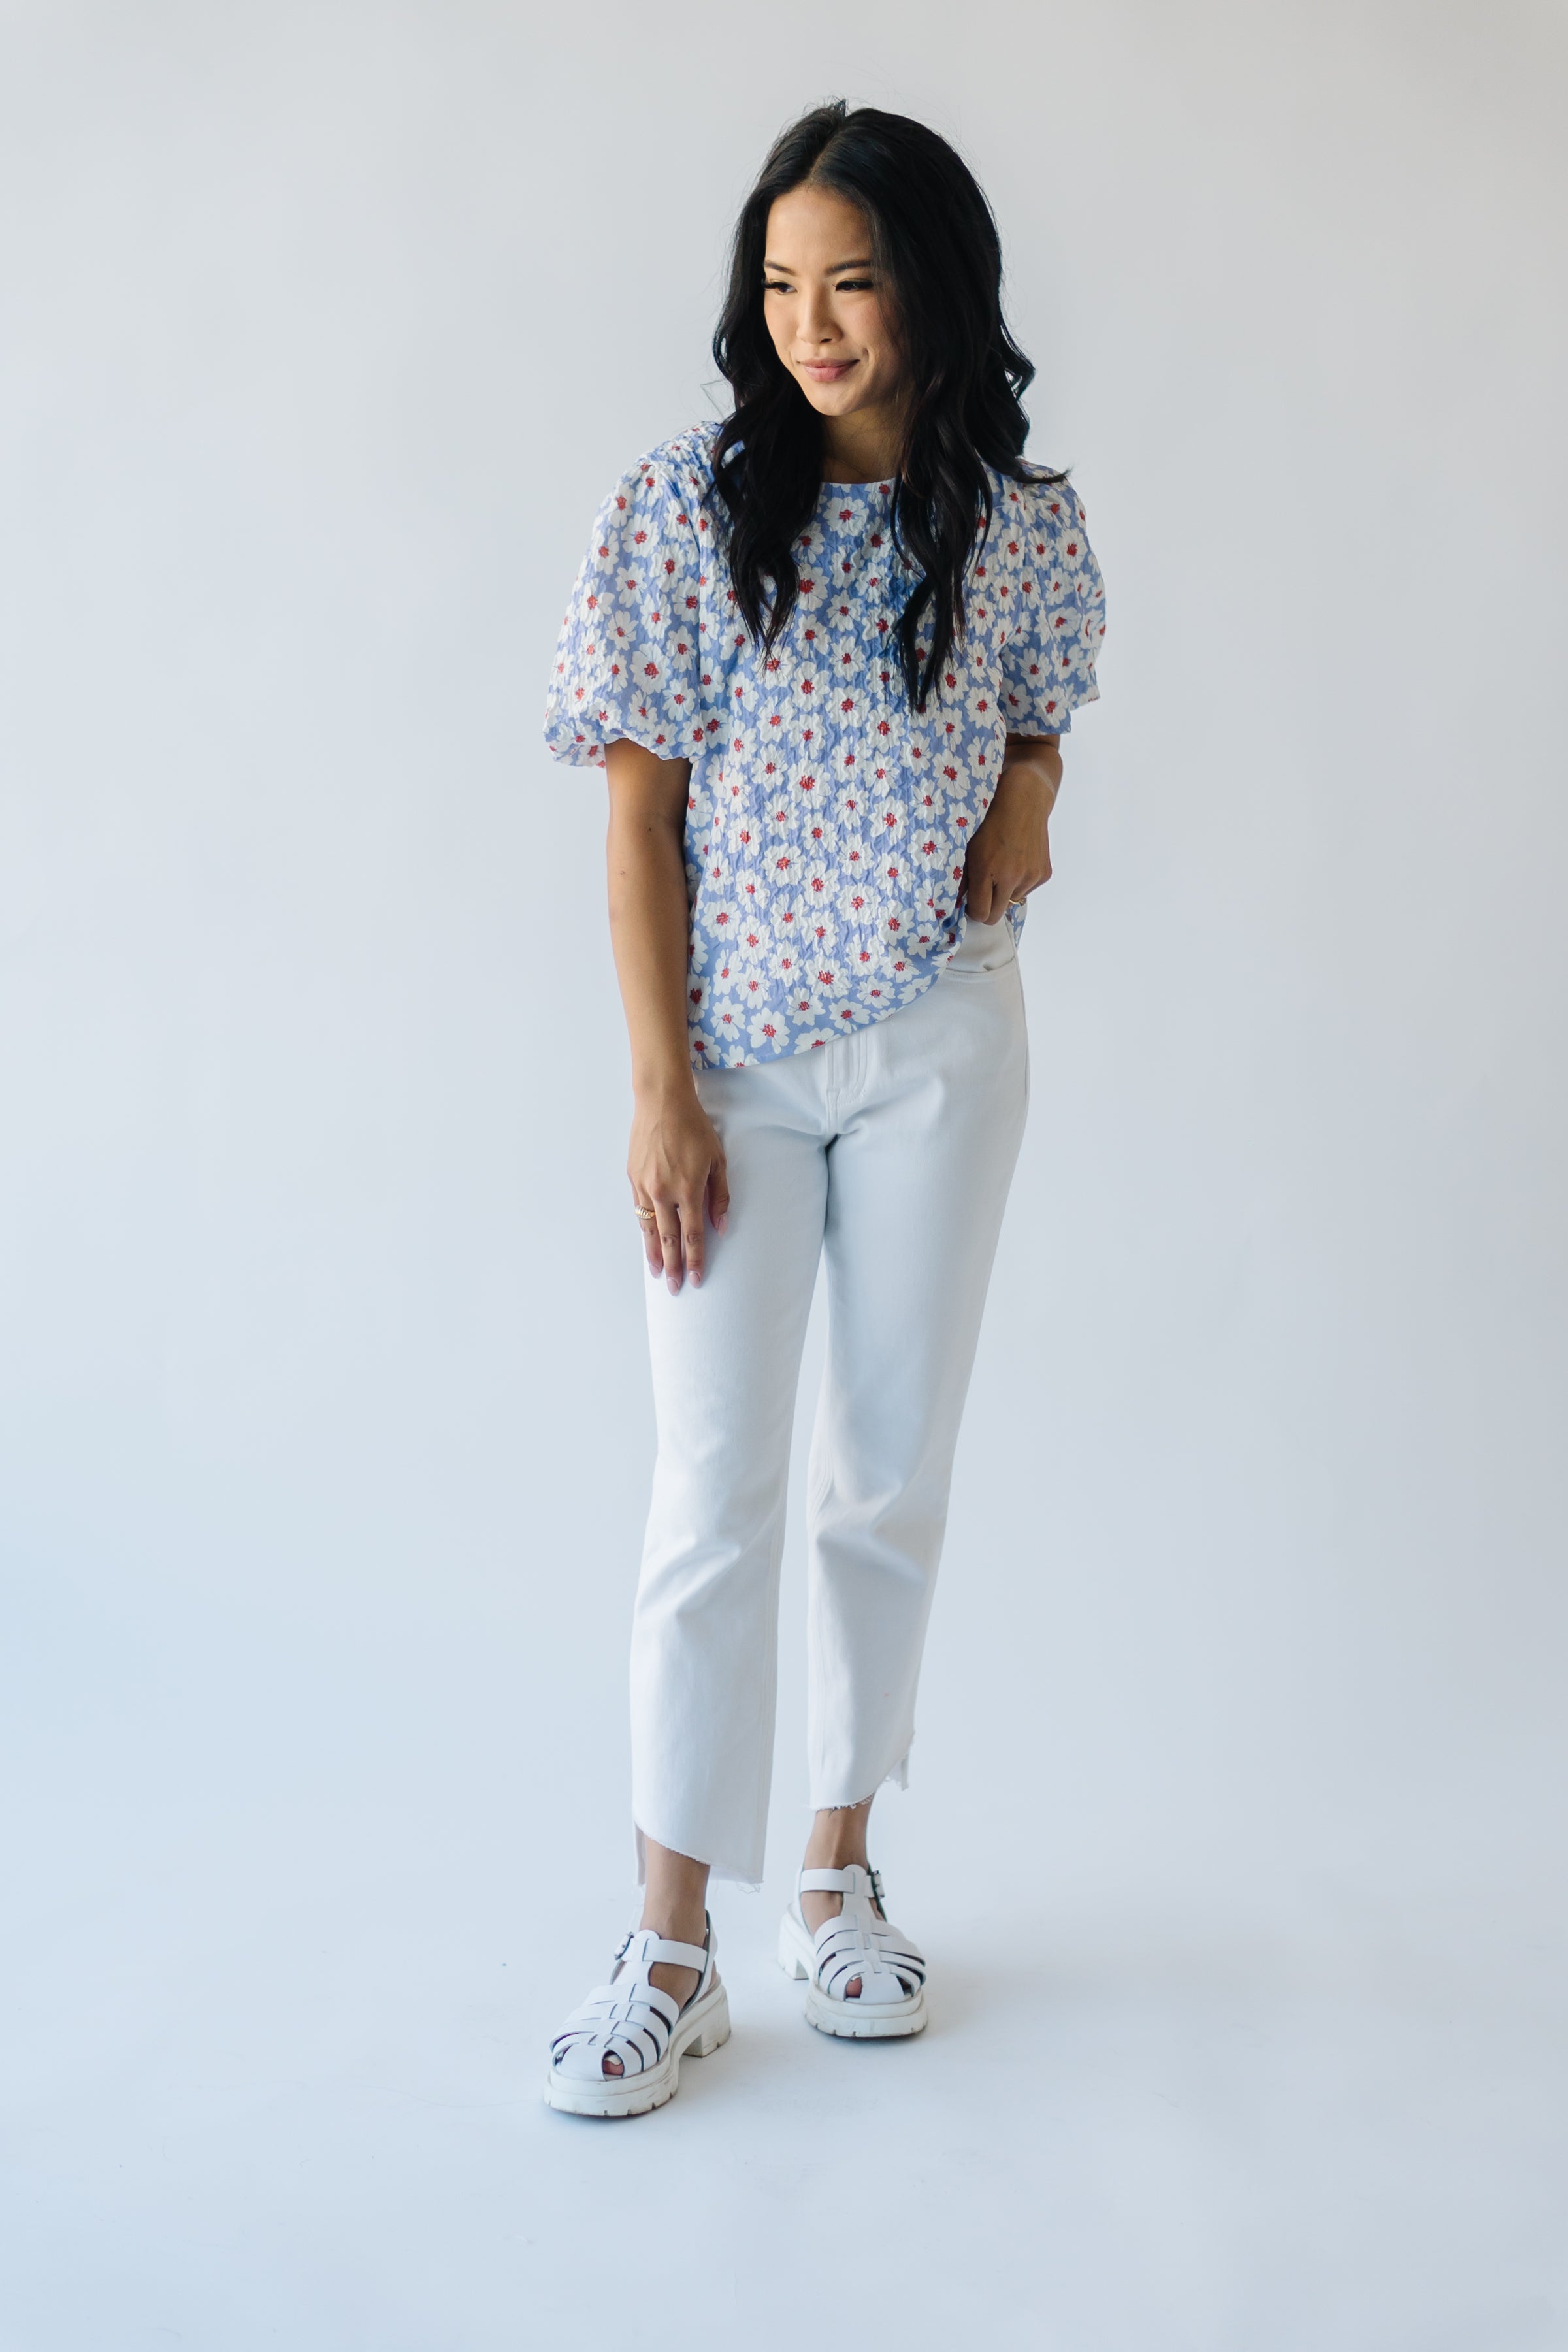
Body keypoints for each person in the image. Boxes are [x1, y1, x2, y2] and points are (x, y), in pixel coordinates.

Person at [540, 101, 1105, 2117]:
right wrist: (660, 1094)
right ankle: (668, 1946)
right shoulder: (684, 511)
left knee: (886, 1473)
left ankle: (838, 1878)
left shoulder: (1020, 522)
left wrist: (1029, 794)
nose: (813, 324)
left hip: (944, 1038)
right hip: (738, 1066)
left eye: (851, 282)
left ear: (932, 290)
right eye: (781, 286)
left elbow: (1042, 706)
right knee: (712, 1493)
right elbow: (637, 819)